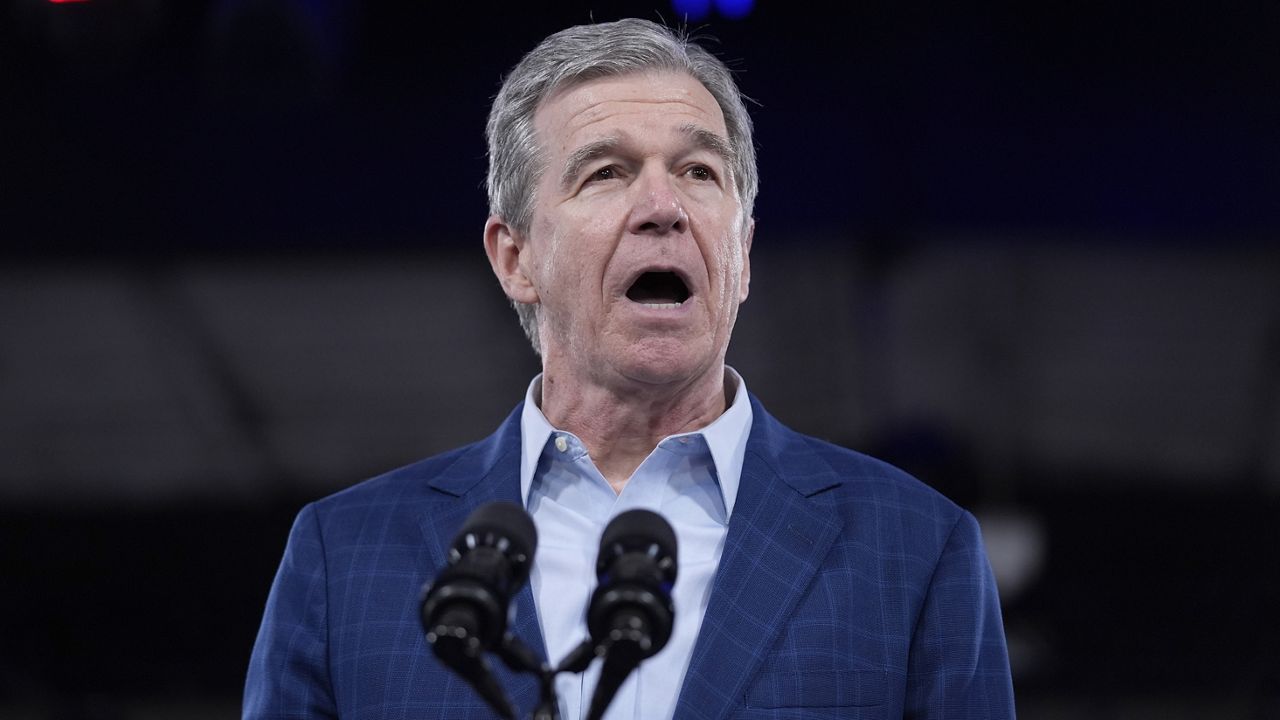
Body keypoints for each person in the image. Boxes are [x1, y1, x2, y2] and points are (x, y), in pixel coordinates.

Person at [244, 18, 1015, 720]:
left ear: (741, 256)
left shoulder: (915, 548)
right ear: (515, 258)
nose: (663, 206)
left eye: (700, 172)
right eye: (607, 172)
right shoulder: (343, 555)